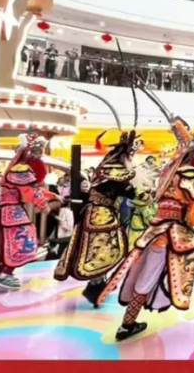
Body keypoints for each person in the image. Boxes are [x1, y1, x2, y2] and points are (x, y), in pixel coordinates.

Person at [99, 119, 194, 342]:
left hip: (156, 232)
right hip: (178, 234)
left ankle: (127, 325)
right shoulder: (190, 174)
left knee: (146, 278)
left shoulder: (168, 173)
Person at [54, 130, 138, 307]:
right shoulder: (115, 172)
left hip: (97, 213)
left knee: (99, 249)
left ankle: (98, 283)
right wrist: (143, 194)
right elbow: (130, 192)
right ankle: (95, 286)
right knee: (102, 250)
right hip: (101, 216)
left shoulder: (105, 169)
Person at [0, 134, 60, 289]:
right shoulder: (20, 170)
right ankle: (3, 275)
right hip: (12, 213)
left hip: (10, 211)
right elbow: (29, 191)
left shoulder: (17, 169)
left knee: (9, 243)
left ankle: (2, 274)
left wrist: (51, 196)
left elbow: (30, 189)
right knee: (16, 243)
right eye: (36, 152)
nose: (38, 156)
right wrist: (44, 205)